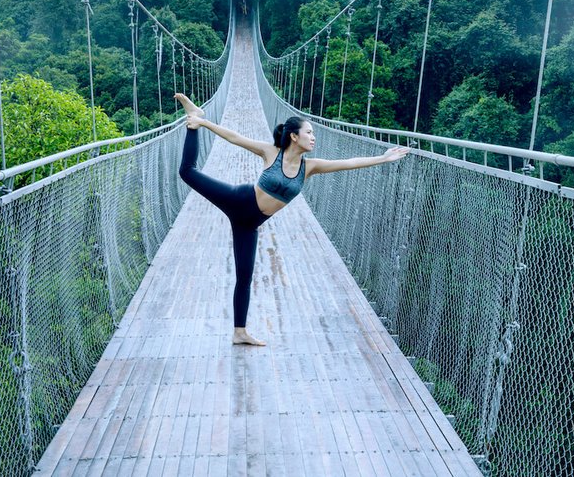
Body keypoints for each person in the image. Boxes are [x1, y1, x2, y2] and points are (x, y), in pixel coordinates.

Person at [174, 93, 409, 346]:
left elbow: (349, 163)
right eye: (309, 132)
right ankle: (194, 118)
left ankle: (239, 332)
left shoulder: (310, 167)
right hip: (237, 200)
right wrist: (204, 124)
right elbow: (235, 138)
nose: (313, 137)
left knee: (244, 275)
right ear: (294, 136)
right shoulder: (271, 152)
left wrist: (383, 158)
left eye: (313, 134)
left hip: (250, 224)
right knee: (187, 172)